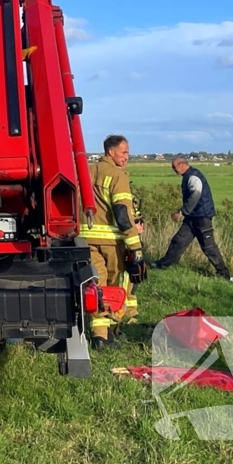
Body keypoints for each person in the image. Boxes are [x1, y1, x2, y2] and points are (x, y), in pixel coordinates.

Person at [83, 135, 145, 349]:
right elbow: (122, 213)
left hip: (85, 239)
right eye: (124, 152)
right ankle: (113, 330)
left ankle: (99, 335)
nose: (127, 157)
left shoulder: (86, 171)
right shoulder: (117, 176)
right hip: (112, 241)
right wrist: (134, 244)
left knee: (96, 285)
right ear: (111, 152)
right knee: (115, 286)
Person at [150, 155, 231, 278]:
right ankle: (163, 265)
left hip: (202, 217)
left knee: (209, 247)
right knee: (178, 241)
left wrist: (182, 212)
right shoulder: (189, 176)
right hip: (193, 216)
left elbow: (195, 196)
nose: (173, 170)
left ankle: (223, 273)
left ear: (182, 165)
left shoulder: (193, 177)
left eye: (174, 167)